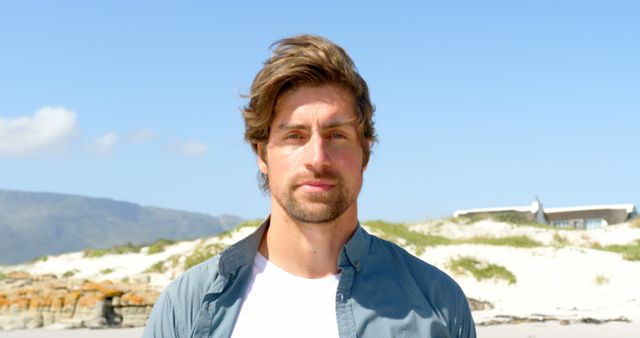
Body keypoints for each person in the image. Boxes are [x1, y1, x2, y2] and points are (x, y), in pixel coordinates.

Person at [143, 34, 476, 338]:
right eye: (294, 136)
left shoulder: (437, 302)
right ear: (262, 153)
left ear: (365, 153)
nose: (317, 158)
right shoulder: (186, 306)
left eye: (336, 135)